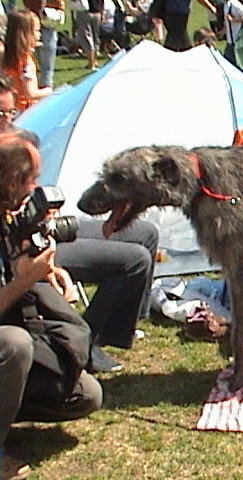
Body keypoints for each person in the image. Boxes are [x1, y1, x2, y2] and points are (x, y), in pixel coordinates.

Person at [0, 76, 159, 373]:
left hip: (41, 228)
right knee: (134, 260)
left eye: (11, 113)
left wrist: (40, 212)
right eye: (2, 114)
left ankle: (122, 327)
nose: (9, 121)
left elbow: (32, 196)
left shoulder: (20, 143)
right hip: (26, 250)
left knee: (146, 233)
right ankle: (86, 344)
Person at [0, 134, 103, 480]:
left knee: (85, 395)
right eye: (31, 179)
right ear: (10, 180)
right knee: (13, 344)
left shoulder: (9, 215)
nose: (35, 187)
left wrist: (50, 271)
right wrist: (27, 280)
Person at [1, 10, 52, 112]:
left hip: (10, 108)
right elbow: (30, 93)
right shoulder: (26, 62)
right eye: (36, 31)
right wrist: (49, 91)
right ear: (26, 34)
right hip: (25, 112)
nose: (39, 34)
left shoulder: (6, 56)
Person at [23, 0, 65, 90]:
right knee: (34, 65)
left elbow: (60, 6)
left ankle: (45, 93)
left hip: (47, 26)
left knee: (46, 69)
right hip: (34, 26)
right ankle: (38, 90)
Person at [221, 0, 243, 67]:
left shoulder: (235, 3)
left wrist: (234, 20)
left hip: (236, 40)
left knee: (237, 65)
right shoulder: (226, 4)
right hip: (230, 40)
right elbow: (226, 21)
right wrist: (222, 32)